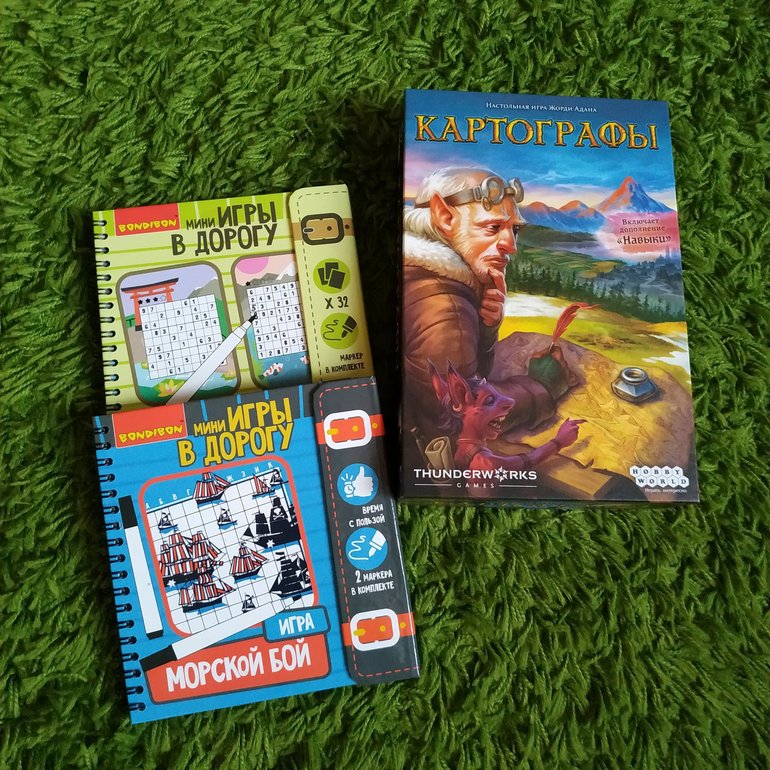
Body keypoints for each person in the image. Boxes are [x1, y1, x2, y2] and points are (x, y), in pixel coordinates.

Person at [403, 166, 574, 447]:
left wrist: (485, 329)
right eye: (493, 228)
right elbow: (461, 420)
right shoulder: (446, 308)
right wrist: (540, 387)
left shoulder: (417, 273)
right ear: (445, 216)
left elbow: (461, 379)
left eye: (514, 229)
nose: (511, 245)